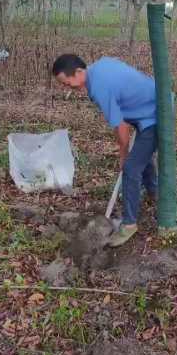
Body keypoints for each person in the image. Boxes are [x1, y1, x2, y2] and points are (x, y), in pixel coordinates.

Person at [52, 54, 157, 247]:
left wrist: (123, 156)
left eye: (68, 83)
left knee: (131, 168)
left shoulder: (99, 87)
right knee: (141, 156)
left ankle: (129, 224)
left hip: (156, 114)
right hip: (146, 107)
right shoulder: (100, 66)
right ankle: (154, 192)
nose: (69, 89)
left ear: (78, 72)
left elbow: (121, 127)